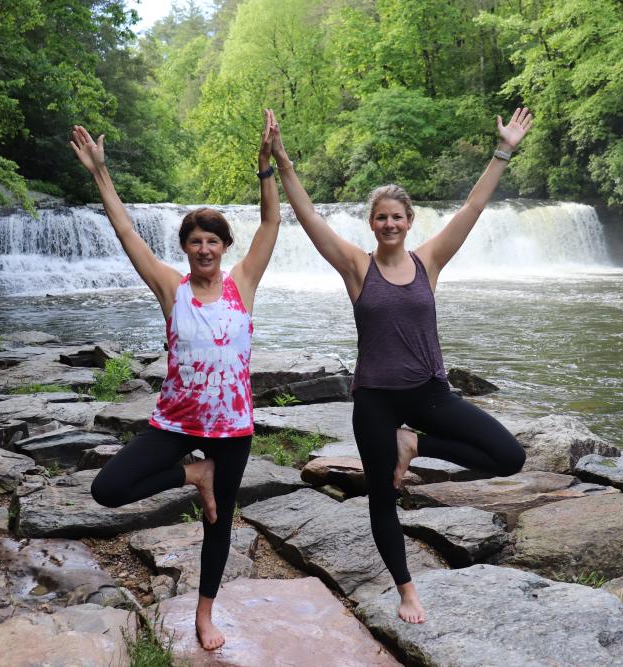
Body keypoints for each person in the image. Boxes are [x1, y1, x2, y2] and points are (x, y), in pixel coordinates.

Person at [270, 108, 533, 624]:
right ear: (372, 223)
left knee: (509, 456)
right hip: (375, 399)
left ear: (410, 222)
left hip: (430, 393)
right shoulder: (356, 266)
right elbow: (308, 218)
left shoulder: (428, 261)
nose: (389, 223)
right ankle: (406, 589)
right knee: (382, 495)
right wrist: (282, 162)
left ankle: (414, 443)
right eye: (381, 217)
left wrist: (504, 151)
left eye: (397, 216)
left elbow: (473, 208)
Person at [69, 110, 283, 650]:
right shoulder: (171, 288)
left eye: (213, 241)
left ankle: (205, 615)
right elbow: (124, 231)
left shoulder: (243, 284)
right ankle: (195, 476)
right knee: (108, 488)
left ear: (224, 247)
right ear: (184, 249)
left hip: (232, 429)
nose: (205, 249)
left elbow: (272, 224)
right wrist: (100, 172)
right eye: (196, 242)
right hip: (176, 424)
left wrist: (266, 168)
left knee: (220, 526)